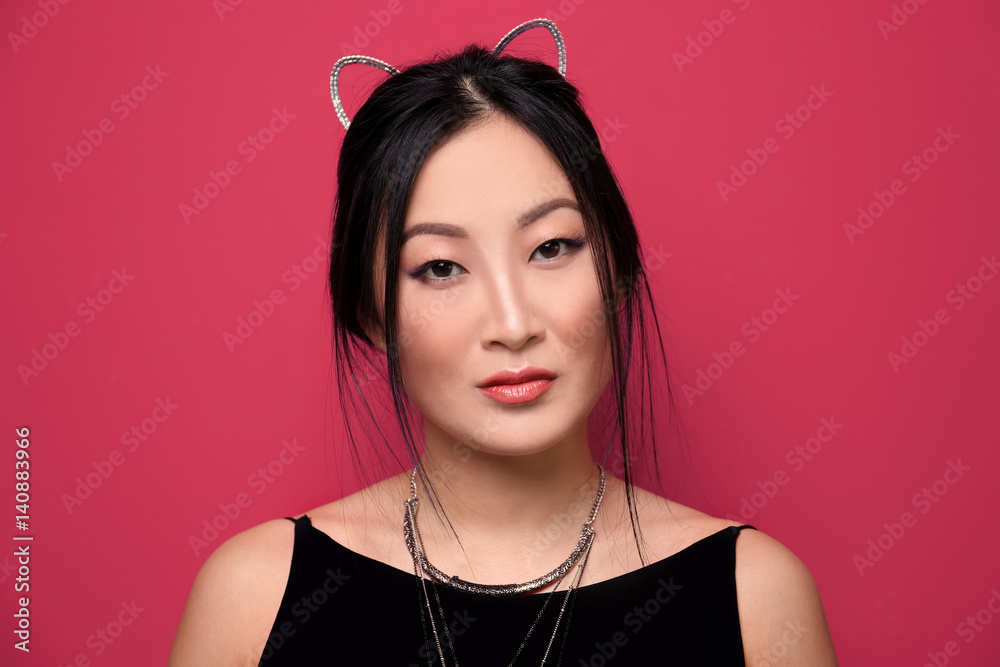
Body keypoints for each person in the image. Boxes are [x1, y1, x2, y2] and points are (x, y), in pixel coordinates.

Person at [168, 18, 838, 666]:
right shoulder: (256, 596)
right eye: (440, 267)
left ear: (620, 270)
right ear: (369, 313)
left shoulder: (755, 598)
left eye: (551, 247)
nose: (513, 324)